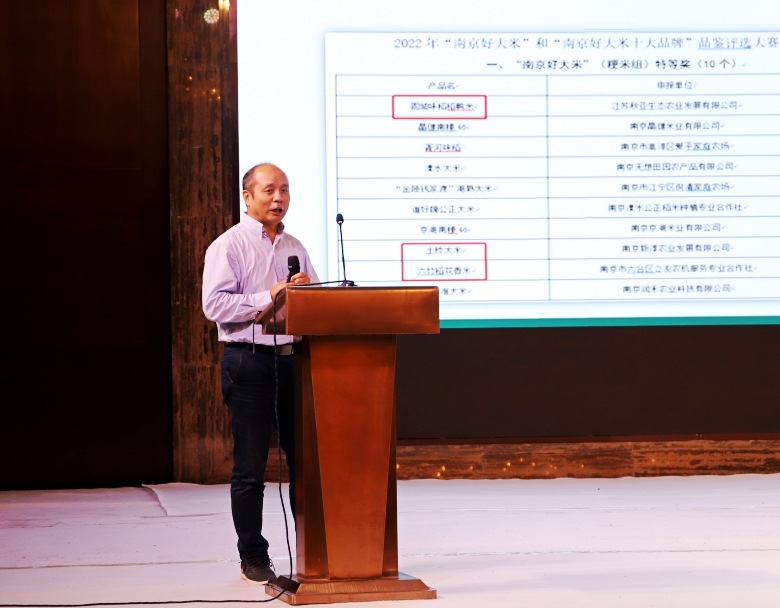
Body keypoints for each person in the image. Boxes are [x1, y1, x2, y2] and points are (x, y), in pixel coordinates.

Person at [202, 163, 318, 584]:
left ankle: (314, 550)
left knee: (305, 463)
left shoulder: (295, 245)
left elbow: (317, 305)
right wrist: (267, 295)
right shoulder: (228, 245)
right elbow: (215, 306)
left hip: (291, 362)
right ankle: (253, 556)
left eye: (284, 190)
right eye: (269, 190)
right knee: (250, 468)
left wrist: (305, 295)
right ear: (247, 197)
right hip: (247, 361)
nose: (278, 198)